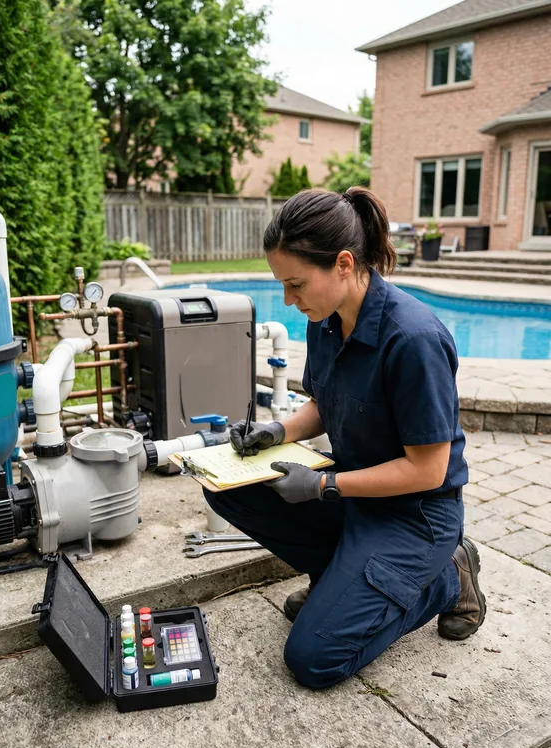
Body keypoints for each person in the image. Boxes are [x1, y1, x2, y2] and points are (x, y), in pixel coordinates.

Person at [203, 187, 486, 690]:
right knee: (226, 487)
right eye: (281, 286)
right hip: (356, 491)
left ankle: (446, 578)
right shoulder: (326, 321)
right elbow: (323, 405)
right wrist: (277, 431)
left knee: (315, 659)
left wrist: (322, 488)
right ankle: (341, 580)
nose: (289, 301)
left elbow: (428, 470)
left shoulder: (414, 340)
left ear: (343, 263)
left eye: (296, 284)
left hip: (417, 515)